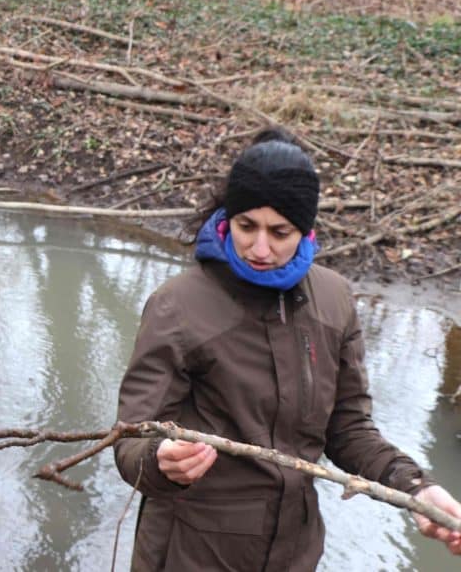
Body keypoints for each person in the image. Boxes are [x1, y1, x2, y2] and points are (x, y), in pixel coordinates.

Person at [113, 128, 461, 571]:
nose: (260, 248)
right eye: (246, 226)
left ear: (306, 229)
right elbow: (130, 440)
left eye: (280, 231)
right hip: (190, 552)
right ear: (227, 218)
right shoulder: (177, 307)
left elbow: (349, 428)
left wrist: (416, 488)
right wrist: (159, 460)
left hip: (294, 551)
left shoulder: (333, 300)